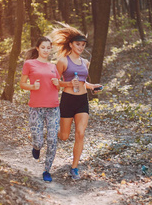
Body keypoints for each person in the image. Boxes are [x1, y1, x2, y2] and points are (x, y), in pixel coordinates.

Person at [50, 25, 102, 180]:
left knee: (80, 133)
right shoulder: (62, 61)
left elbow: (83, 81)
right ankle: (55, 129)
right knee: (64, 136)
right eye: (78, 44)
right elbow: (55, 82)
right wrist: (68, 84)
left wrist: (92, 86)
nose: (81, 47)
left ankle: (74, 167)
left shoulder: (85, 62)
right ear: (71, 45)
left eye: (83, 45)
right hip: (67, 101)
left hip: (82, 101)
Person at [20, 36, 60, 182]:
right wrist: (32, 87)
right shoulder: (29, 64)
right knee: (38, 141)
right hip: (36, 108)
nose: (46, 50)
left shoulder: (53, 67)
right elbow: (22, 84)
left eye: (48, 48)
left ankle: (47, 170)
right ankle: (36, 148)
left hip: (53, 108)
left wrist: (58, 83)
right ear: (37, 48)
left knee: (52, 139)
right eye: (43, 47)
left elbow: (58, 85)